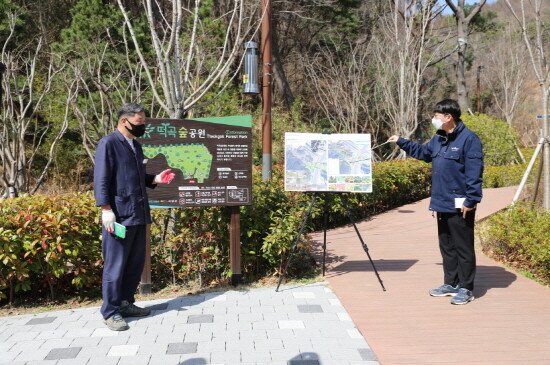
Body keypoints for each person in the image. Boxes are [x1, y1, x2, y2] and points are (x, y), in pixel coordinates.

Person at [387, 99, 483, 305]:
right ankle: (451, 283)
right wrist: (402, 141)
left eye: (437, 116)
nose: (434, 120)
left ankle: (466, 288)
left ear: (449, 117)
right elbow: (423, 153)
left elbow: (475, 174)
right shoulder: (439, 139)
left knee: (463, 246)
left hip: (461, 202)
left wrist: (471, 199)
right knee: (446, 245)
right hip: (441, 201)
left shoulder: (469, 139)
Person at [94, 103, 175, 330]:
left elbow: (135, 176)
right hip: (118, 215)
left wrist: (155, 179)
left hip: (138, 213)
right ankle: (110, 312)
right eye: (139, 124)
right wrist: (105, 209)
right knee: (115, 265)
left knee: (134, 263)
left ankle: (125, 303)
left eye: (144, 123)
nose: (143, 127)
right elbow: (101, 179)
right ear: (123, 121)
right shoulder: (108, 144)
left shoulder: (135, 146)